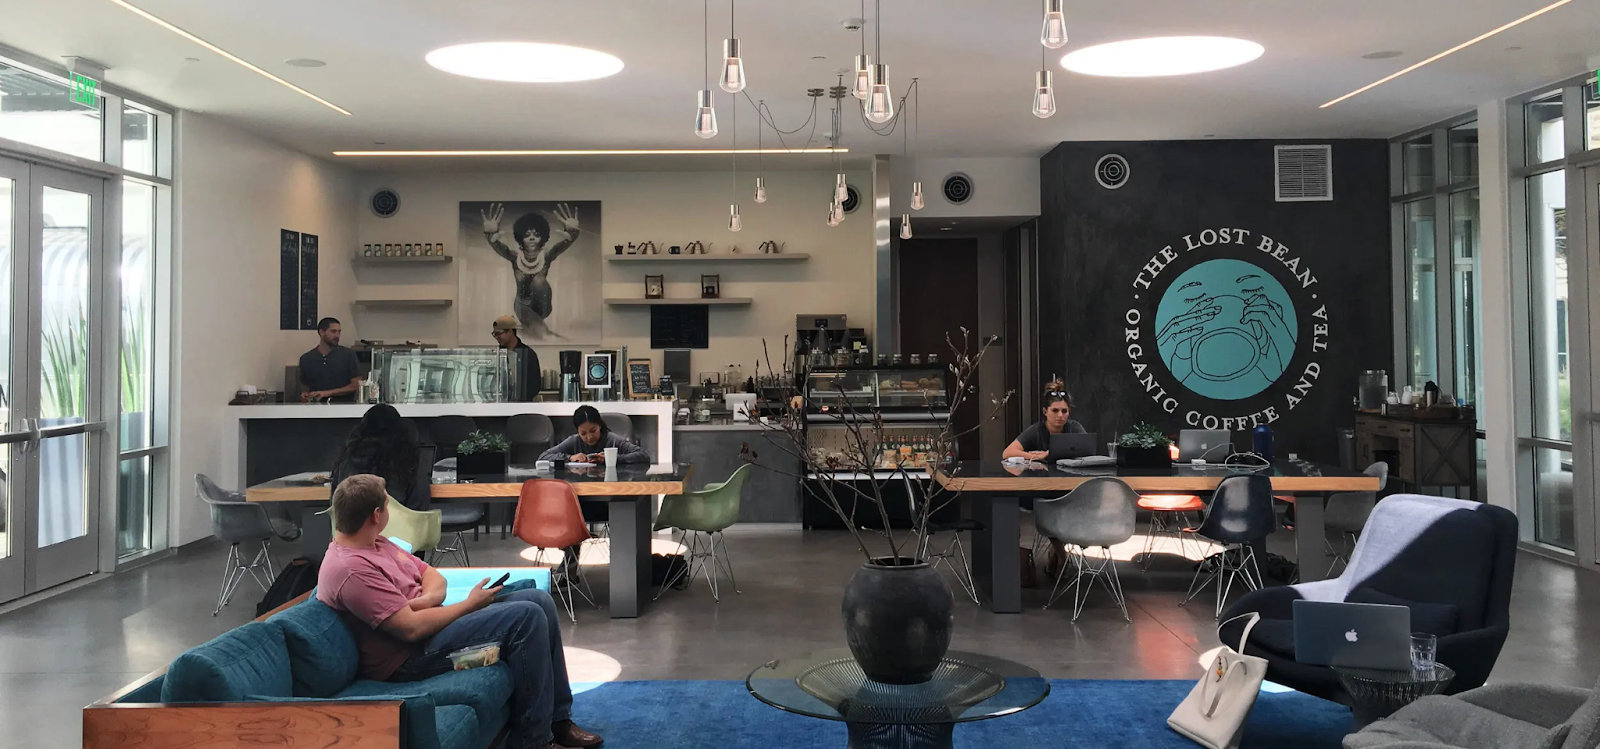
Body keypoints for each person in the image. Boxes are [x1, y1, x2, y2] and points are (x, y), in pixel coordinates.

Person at [318, 474, 603, 749]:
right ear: (376, 515)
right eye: (387, 505)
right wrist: (469, 605)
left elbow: (432, 576)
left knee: (539, 600)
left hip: (431, 629)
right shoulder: (351, 570)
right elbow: (410, 628)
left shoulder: (377, 542)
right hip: (409, 658)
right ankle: (534, 739)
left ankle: (559, 720)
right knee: (526, 618)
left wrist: (422, 601)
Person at [482, 203, 582, 340]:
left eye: (536, 234)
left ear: (543, 237)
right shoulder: (515, 257)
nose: (532, 238)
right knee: (533, 324)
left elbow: (559, 247)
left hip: (543, 306)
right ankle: (543, 333)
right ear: (520, 238)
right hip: (522, 306)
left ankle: (541, 332)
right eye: (527, 235)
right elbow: (500, 247)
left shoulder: (546, 256)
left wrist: (572, 233)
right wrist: (491, 235)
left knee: (538, 281)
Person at [330, 404, 426, 511]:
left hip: (354, 520)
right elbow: (419, 501)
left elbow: (335, 502)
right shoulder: (407, 459)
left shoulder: (347, 457)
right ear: (401, 430)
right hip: (397, 520)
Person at [1002, 380, 1087, 461]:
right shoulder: (1036, 430)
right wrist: (1038, 457)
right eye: (1055, 410)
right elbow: (1007, 453)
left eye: (1064, 411)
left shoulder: (1074, 427)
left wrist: (1050, 453)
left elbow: (1088, 450)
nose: (1060, 415)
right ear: (1045, 411)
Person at [538, 405, 651, 465]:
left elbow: (643, 455)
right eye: (583, 433)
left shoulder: (612, 440)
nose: (589, 437)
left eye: (593, 431)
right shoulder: (574, 441)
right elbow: (543, 457)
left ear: (600, 426)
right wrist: (570, 458)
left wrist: (612, 459)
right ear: (578, 431)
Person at [299, 317, 361, 403]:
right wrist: (304, 395)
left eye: (339, 332)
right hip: (316, 406)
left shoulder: (348, 355)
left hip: (344, 405)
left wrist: (328, 393)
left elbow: (356, 385)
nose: (337, 336)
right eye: (333, 331)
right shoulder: (307, 359)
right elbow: (305, 387)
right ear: (321, 332)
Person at [492, 315, 543, 401]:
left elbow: (535, 386)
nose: (497, 337)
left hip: (522, 405)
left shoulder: (527, 354)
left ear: (510, 332)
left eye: (499, 334)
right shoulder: (497, 354)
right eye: (495, 334)